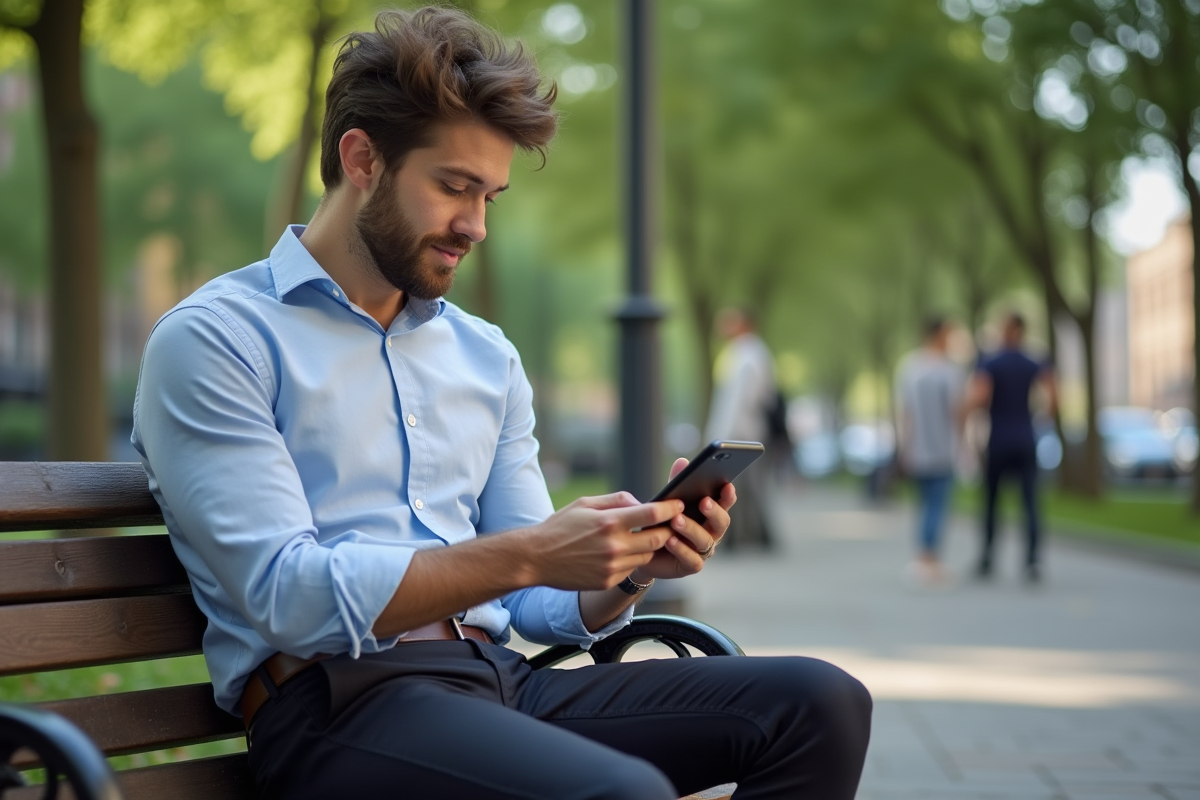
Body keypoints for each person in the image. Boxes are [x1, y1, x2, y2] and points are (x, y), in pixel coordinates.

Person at [130, 9, 871, 799]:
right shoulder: (218, 340)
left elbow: (532, 599)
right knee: (622, 794)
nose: (475, 225)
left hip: (497, 681)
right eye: (454, 187)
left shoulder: (485, 356)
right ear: (362, 159)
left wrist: (621, 570)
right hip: (335, 708)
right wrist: (533, 552)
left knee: (820, 705)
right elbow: (286, 596)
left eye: (491, 196)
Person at [965, 312, 1058, 583]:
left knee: (992, 502)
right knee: (1030, 502)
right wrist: (1040, 419)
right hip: (1026, 438)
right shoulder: (1034, 361)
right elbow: (1053, 395)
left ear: (1007, 330)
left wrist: (974, 419)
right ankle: (1032, 561)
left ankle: (987, 558)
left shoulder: (990, 362)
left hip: (999, 439)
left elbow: (979, 397)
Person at [895, 316, 964, 585]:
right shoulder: (949, 370)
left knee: (924, 505)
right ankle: (928, 559)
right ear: (939, 335)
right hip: (942, 449)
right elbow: (957, 411)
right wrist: (965, 445)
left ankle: (924, 557)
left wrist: (904, 445)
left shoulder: (909, 367)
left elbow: (905, 412)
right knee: (937, 504)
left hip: (917, 448)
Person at [703, 306, 778, 550]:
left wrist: (721, 433)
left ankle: (738, 538)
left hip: (741, 433)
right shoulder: (747, 353)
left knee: (736, 487)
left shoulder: (747, 355)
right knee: (747, 487)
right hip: (745, 431)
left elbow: (739, 401)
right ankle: (756, 537)